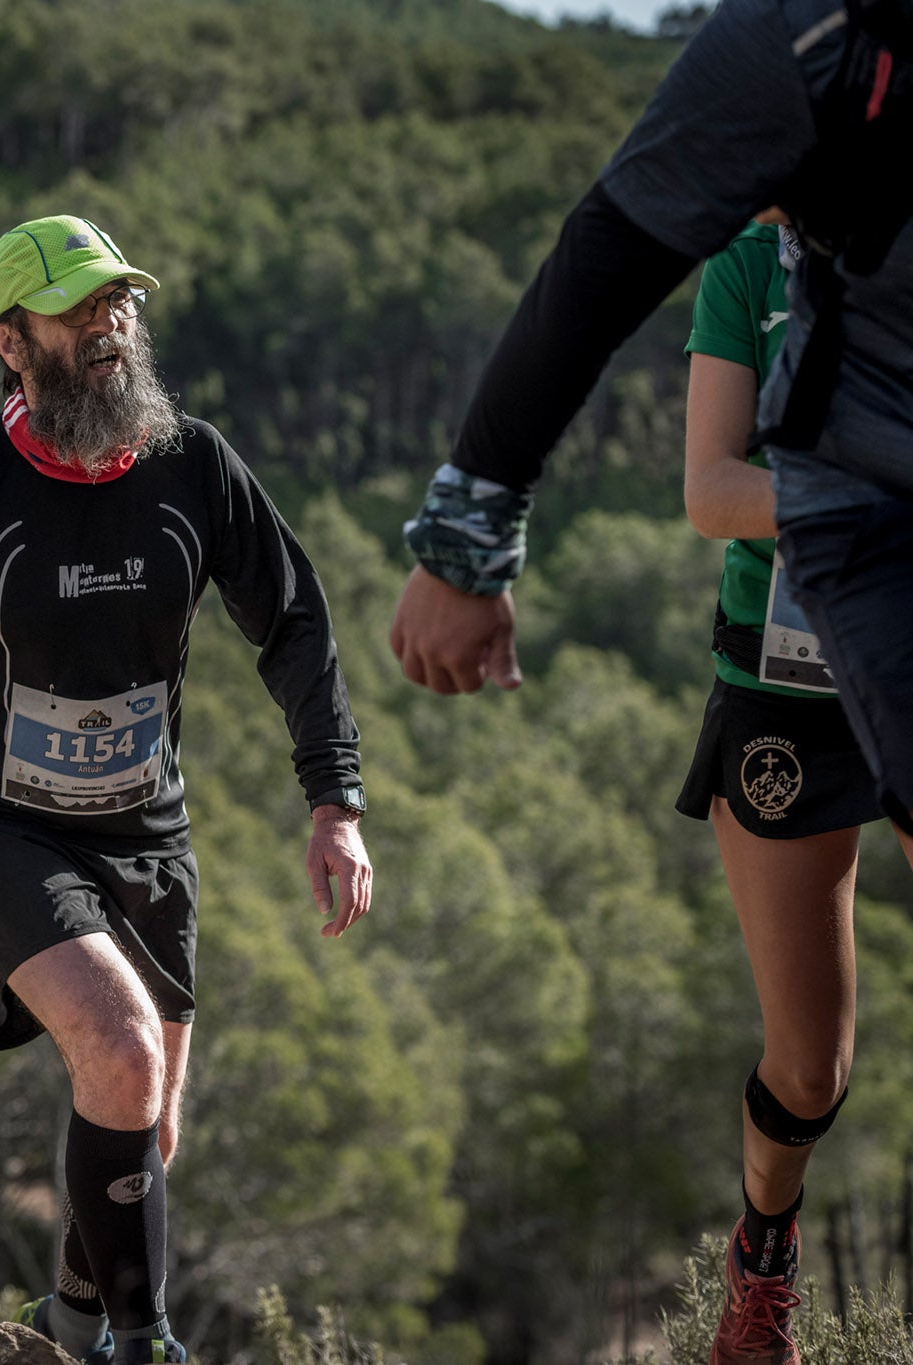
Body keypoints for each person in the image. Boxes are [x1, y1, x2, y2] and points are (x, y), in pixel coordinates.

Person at [0, 215, 373, 1365]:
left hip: (144, 830)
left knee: (147, 1121)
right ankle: (143, 1344)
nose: (108, 325)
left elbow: (295, 625)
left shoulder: (192, 465)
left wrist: (335, 801)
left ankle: (73, 1318)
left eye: (118, 302)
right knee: (118, 1050)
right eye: (77, 310)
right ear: (9, 343)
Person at [386, 0, 913, 865]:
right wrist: (465, 539)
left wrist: (465, 542)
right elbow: (610, 258)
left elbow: (607, 252)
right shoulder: (816, 44)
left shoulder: (805, 35)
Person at [674, 216, 883, 1361]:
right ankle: (762, 1258)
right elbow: (709, 490)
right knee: (808, 1063)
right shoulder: (749, 264)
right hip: (786, 676)